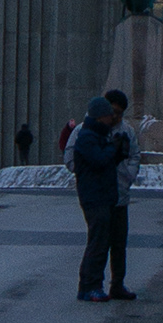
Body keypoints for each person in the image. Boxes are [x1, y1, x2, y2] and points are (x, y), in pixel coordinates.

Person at [67, 95, 124, 298]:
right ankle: (90, 286)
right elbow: (99, 161)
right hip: (94, 197)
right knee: (97, 244)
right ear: (100, 117)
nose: (112, 119)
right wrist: (112, 148)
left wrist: (117, 152)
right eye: (109, 115)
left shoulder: (98, 135)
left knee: (99, 242)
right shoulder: (88, 137)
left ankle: (90, 285)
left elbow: (106, 162)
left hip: (101, 196)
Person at [103, 86, 139, 301]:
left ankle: (117, 283)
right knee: (98, 241)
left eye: (119, 112)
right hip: (98, 195)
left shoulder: (127, 131)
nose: (115, 116)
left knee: (118, 243)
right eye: (112, 111)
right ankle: (92, 284)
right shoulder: (92, 128)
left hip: (119, 194)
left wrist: (128, 177)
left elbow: (135, 156)